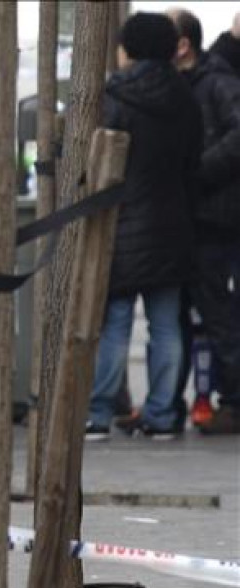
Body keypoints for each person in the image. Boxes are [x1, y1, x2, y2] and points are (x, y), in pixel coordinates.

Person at [85, 12, 203, 442]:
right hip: (173, 225)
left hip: (120, 224)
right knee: (167, 324)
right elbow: (195, 161)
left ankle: (98, 414)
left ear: (128, 48)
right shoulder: (186, 98)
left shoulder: (114, 95)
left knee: (114, 323)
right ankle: (161, 415)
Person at [169, 8, 240, 434]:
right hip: (201, 217)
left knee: (219, 315)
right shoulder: (194, 81)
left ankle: (233, 401)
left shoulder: (216, 82)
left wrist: (198, 173)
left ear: (183, 45)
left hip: (216, 217)